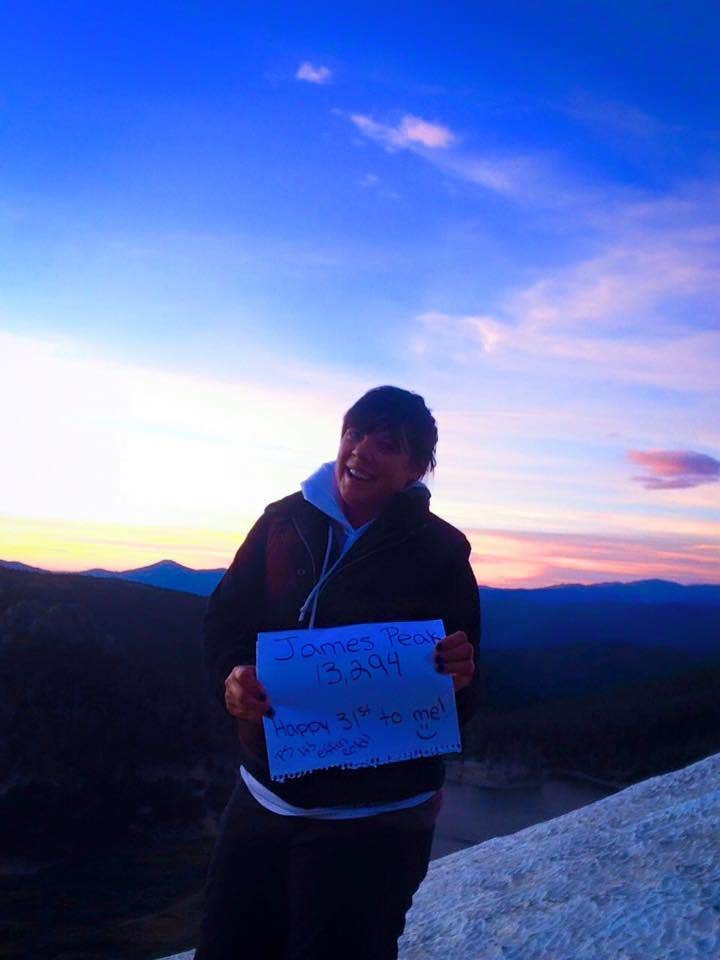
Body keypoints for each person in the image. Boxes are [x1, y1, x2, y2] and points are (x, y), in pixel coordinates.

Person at [196, 385, 481, 960]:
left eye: (388, 443)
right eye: (355, 433)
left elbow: (467, 683)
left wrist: (460, 673)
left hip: (377, 820)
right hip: (264, 798)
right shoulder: (282, 521)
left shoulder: (442, 550)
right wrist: (232, 678)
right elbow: (225, 621)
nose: (362, 451)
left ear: (417, 467)